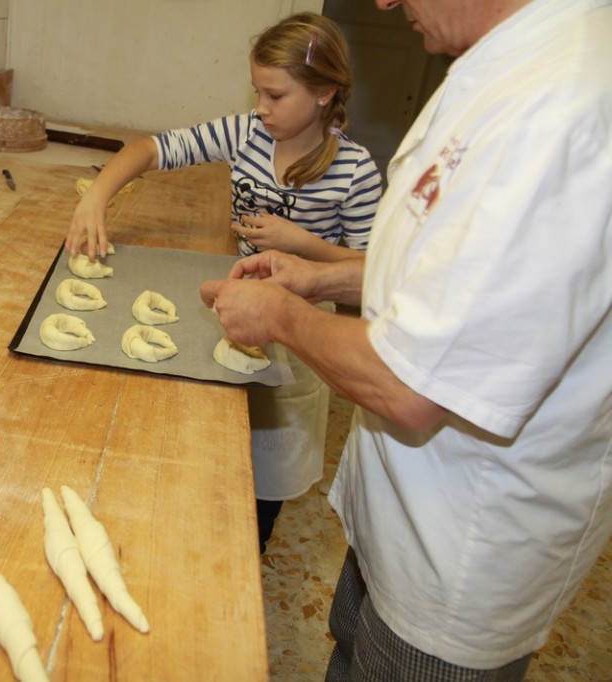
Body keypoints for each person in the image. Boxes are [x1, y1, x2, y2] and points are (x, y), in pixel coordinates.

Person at [200, 0, 612, 679]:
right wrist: (319, 278)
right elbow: (449, 276)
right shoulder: (501, 63)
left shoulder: (559, 108)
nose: (386, 2)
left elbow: (414, 385)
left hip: (460, 550)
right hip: (401, 518)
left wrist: (279, 316)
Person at [66, 13, 383, 553]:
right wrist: (97, 195)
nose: (262, 107)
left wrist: (299, 242)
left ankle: (246, 549)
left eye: (276, 95)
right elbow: (154, 148)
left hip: (302, 336)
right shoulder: (246, 135)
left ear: (325, 92)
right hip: (235, 305)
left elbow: (370, 271)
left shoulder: (355, 173)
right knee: (217, 442)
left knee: (269, 463)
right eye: (258, 91)